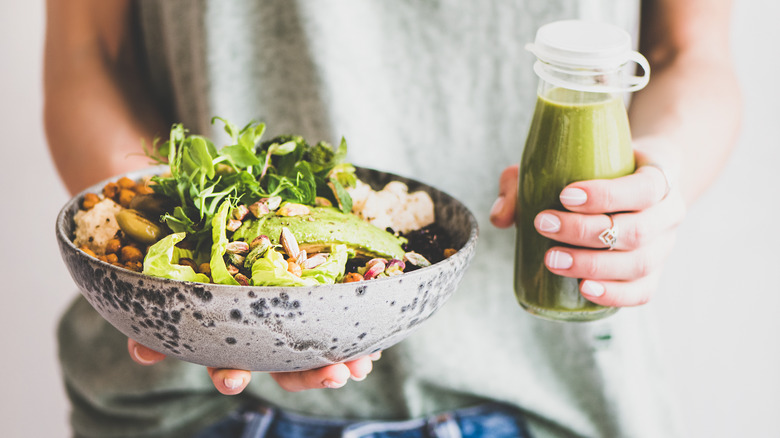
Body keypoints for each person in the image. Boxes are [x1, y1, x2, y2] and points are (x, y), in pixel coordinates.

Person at [44, 0, 741, 437]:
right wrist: (155, 253)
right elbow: (87, 56)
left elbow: (689, 53)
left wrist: (656, 179)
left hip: (548, 396)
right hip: (195, 405)